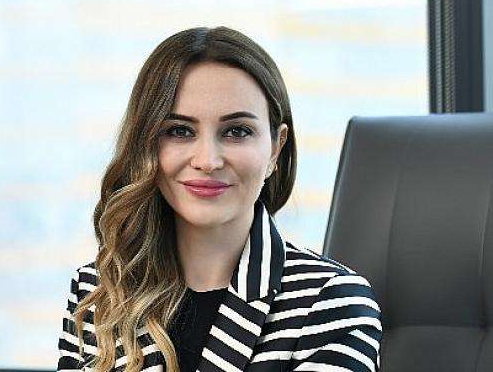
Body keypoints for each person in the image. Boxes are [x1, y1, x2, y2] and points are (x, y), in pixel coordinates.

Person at [56, 26, 382, 372]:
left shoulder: (332, 302)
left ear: (276, 148)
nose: (207, 161)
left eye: (237, 131)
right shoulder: (98, 291)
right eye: (179, 131)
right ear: (145, 144)